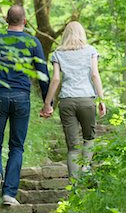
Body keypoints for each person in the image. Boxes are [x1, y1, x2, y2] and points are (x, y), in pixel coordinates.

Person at [0, 5, 50, 206]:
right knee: (17, 146)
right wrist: (47, 103)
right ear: (24, 21)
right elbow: (43, 73)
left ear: (6, 20)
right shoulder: (32, 42)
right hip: (22, 98)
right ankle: (9, 194)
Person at [40, 21, 106, 178]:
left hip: (67, 101)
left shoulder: (58, 53)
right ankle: (86, 167)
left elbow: (55, 79)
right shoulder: (90, 51)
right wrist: (101, 100)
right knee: (89, 137)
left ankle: (73, 188)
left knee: (73, 147)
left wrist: (47, 103)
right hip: (86, 100)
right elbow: (95, 75)